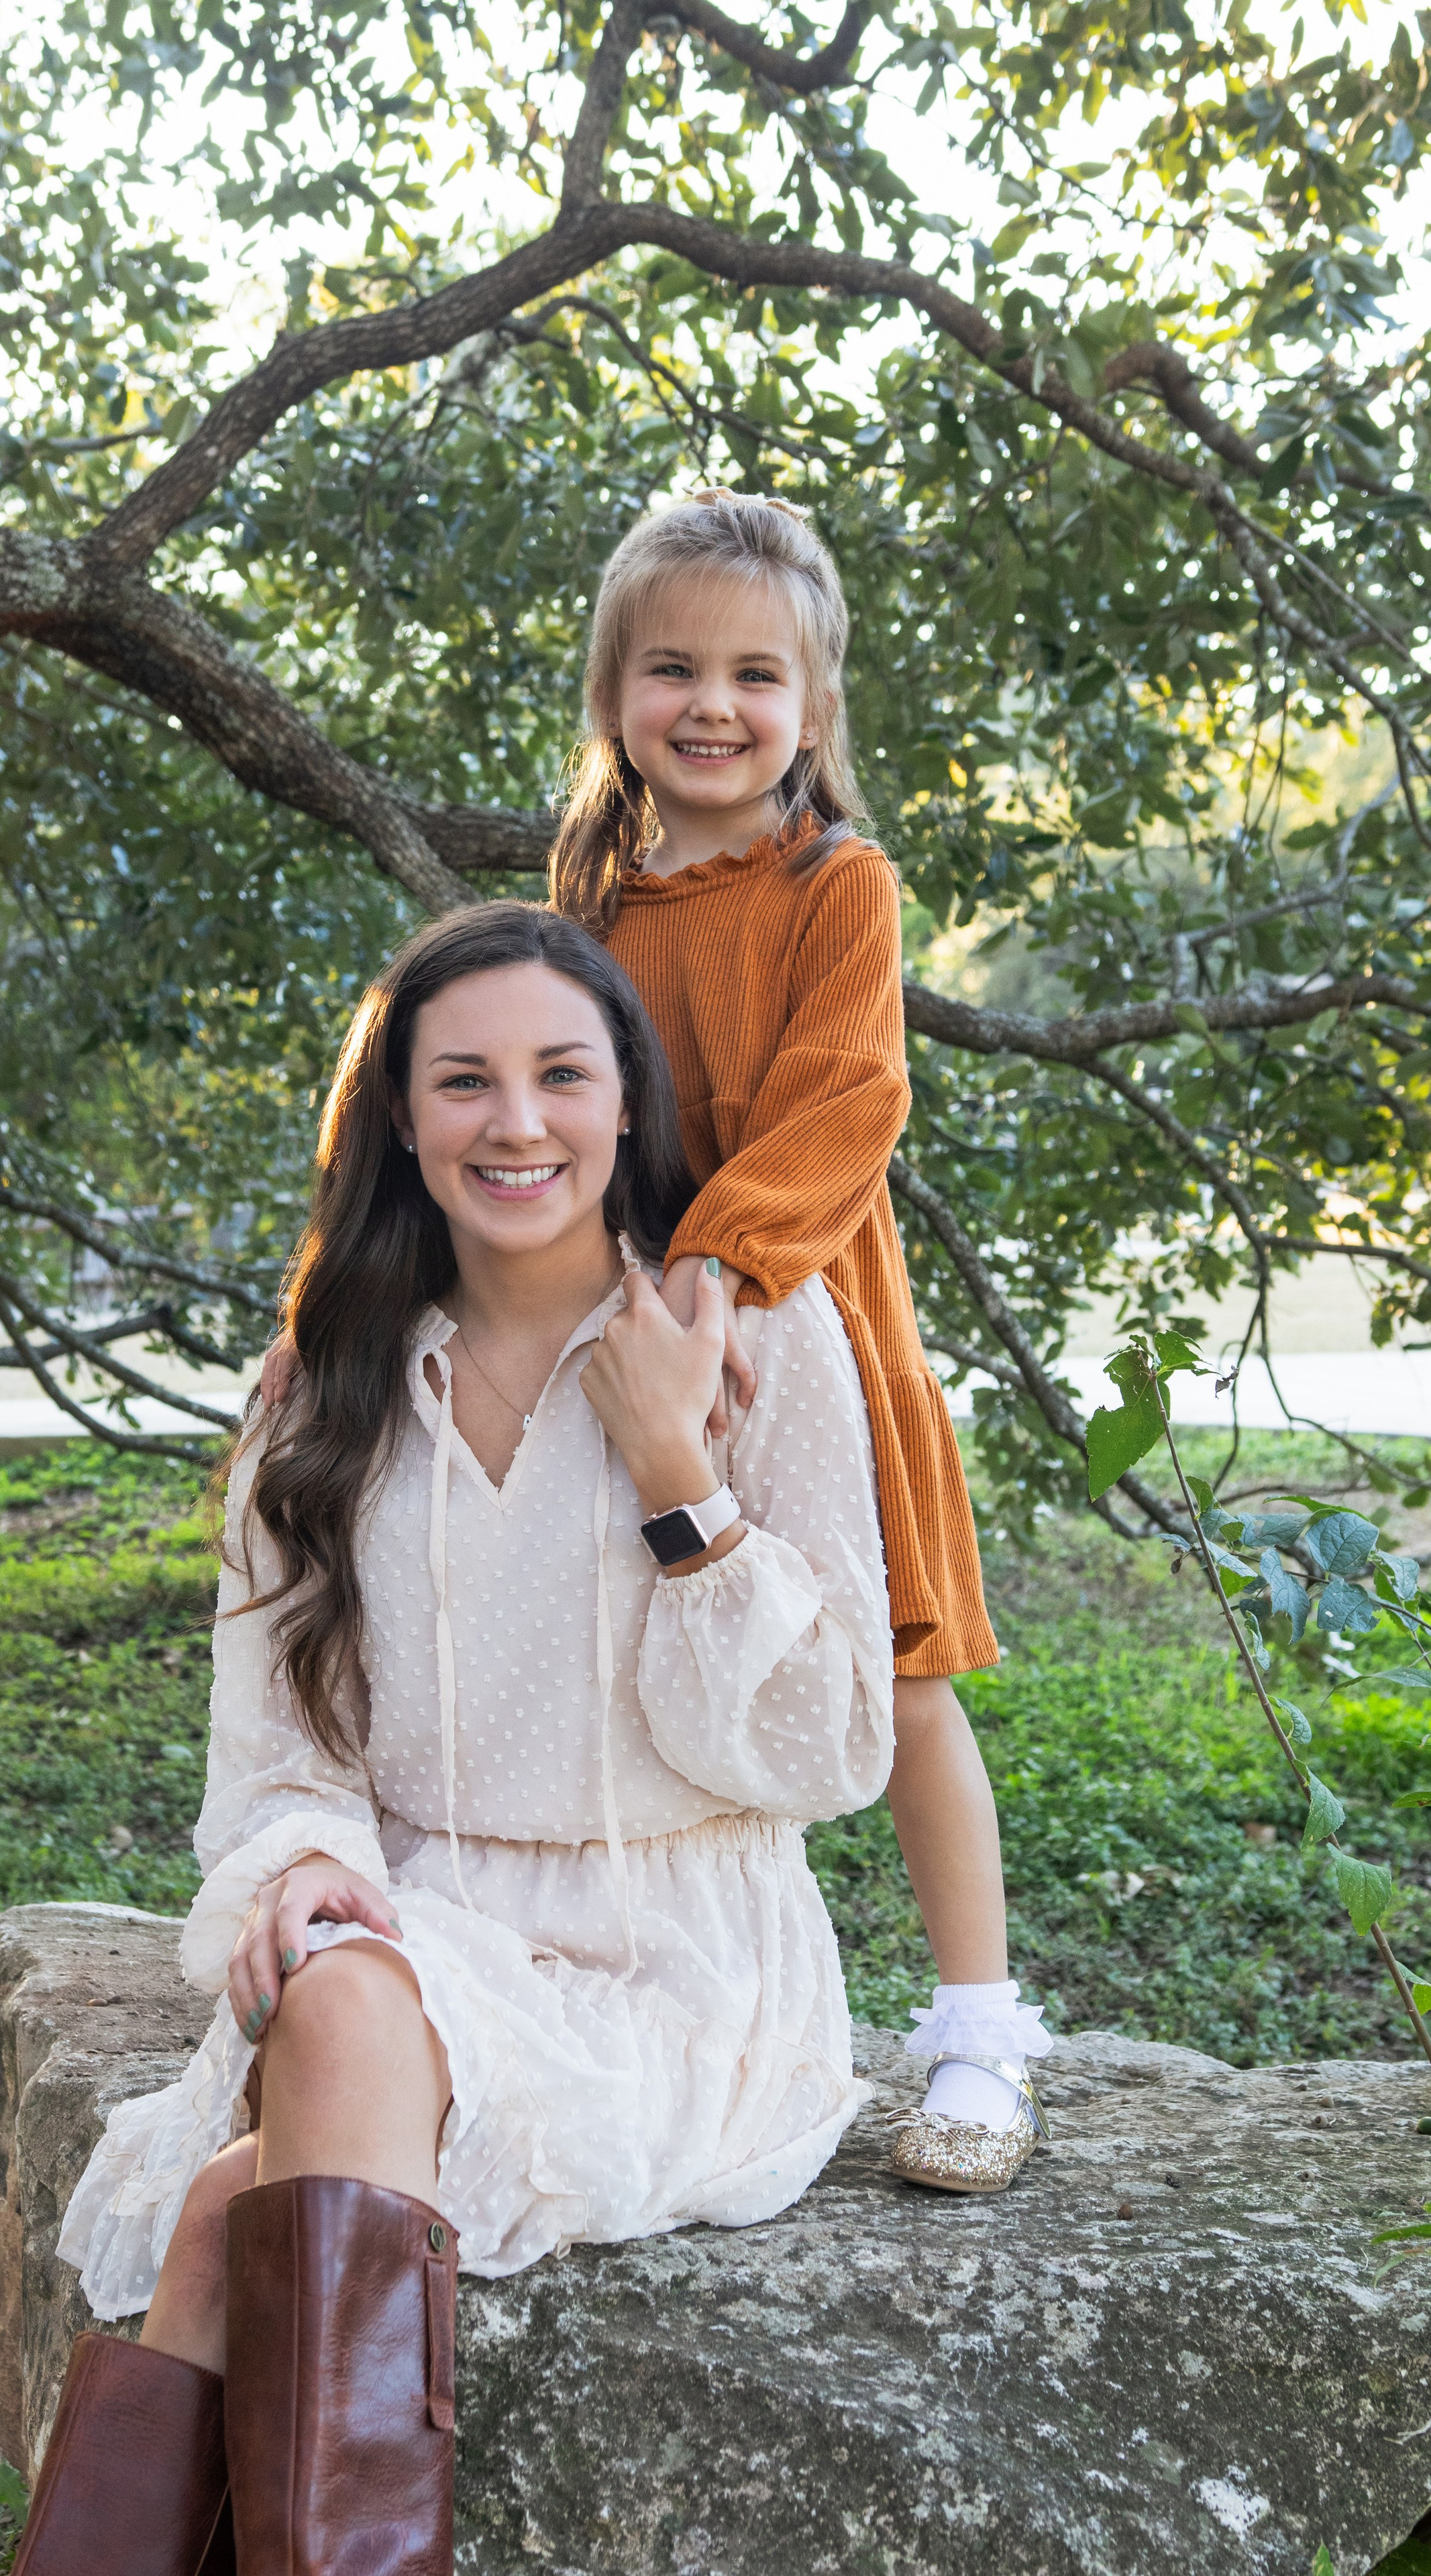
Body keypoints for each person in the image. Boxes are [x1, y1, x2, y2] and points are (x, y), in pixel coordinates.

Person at [11, 901, 918, 2576]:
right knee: (333, 2010)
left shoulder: (764, 1342)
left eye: (561, 1075)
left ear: (626, 1103)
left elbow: (831, 1750)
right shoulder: (323, 1385)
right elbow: (280, 1755)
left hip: (679, 1961)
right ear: (402, 1120)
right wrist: (300, 1876)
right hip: (412, 1933)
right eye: (465, 1083)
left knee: (229, 2215)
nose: (517, 1124)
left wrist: (677, 1483)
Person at [547, 487, 1053, 2188]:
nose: (710, 704)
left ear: (812, 708)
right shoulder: (587, 897)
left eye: (754, 675)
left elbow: (850, 1099)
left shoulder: (838, 882)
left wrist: (724, 1281)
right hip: (633, 1343)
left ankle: (976, 2034)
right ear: (614, 691)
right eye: (670, 667)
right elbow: (555, 1113)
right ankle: (685, 2008)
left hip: (805, 1319)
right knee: (655, 1664)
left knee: (890, 1674)